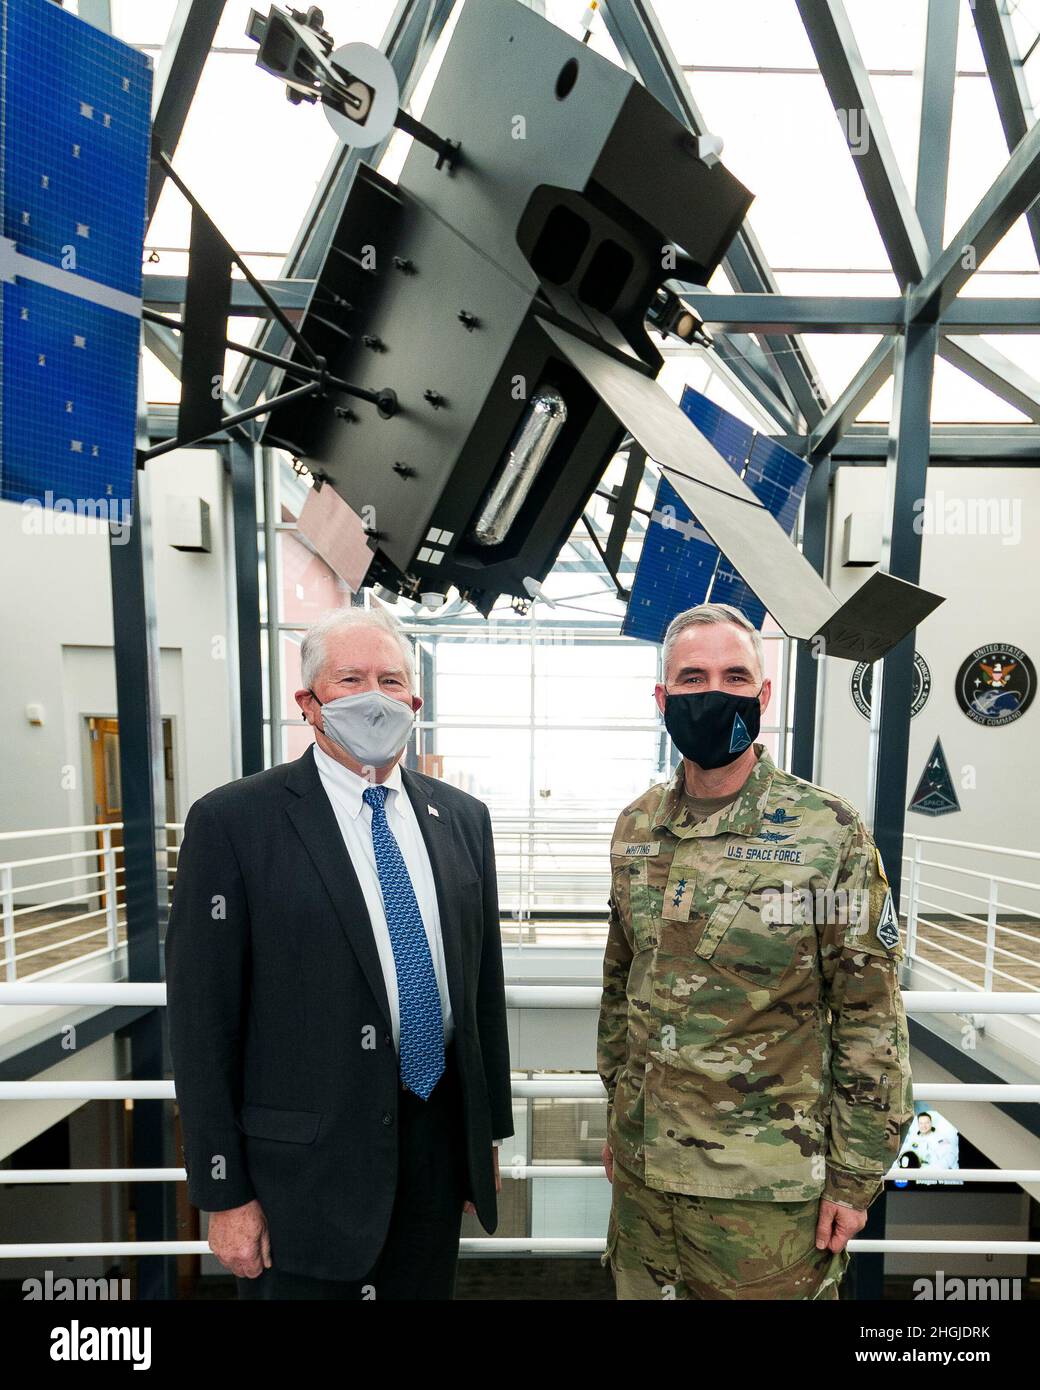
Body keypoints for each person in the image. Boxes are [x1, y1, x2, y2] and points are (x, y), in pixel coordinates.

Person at [166, 605, 513, 1299]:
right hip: (302, 1181)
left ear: (416, 701)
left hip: (433, 1154)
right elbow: (202, 1025)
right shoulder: (233, 823)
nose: (374, 697)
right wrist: (224, 1194)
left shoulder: (462, 819)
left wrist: (486, 1141)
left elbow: (480, 994)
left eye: (391, 680)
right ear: (309, 703)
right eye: (350, 679)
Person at [597, 602, 913, 1300]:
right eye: (692, 676)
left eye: (735, 675)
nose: (715, 691)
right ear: (662, 698)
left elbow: (870, 1017)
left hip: (765, 1198)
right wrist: (621, 1112)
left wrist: (857, 1176)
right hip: (646, 1191)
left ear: (764, 695)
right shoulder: (638, 827)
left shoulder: (826, 833)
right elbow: (623, 982)